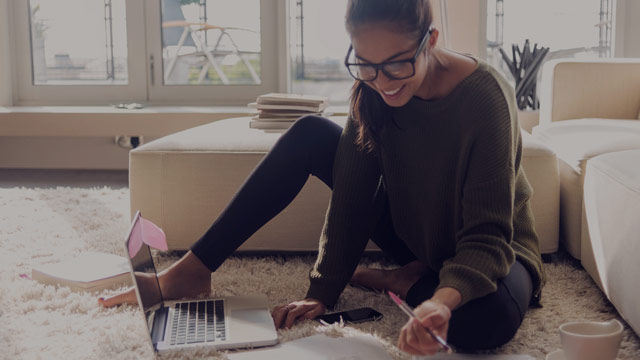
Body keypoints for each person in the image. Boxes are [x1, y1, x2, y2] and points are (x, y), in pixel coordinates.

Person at [101, 0, 546, 355]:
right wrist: (323, 291)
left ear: (430, 40)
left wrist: (439, 300)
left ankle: (406, 281)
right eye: (366, 64)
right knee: (311, 133)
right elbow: (352, 199)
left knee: (483, 323)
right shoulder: (371, 90)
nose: (382, 82)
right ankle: (192, 271)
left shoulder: (484, 98)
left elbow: (487, 237)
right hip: (418, 234)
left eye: (396, 65)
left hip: (495, 250)